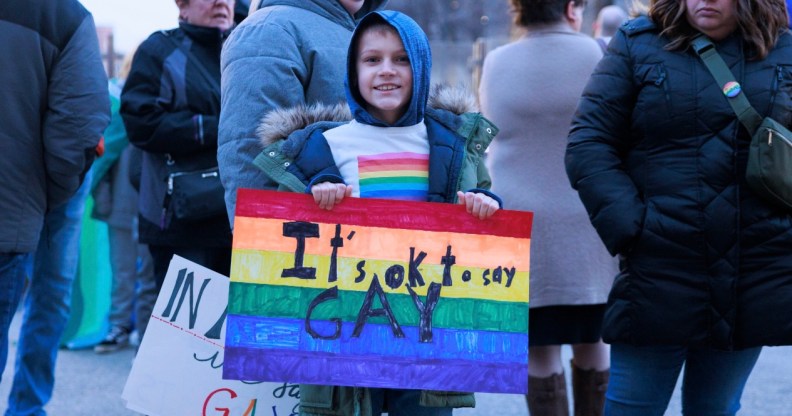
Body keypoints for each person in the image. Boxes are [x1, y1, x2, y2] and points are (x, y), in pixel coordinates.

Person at [253, 10, 500, 415]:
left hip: (426, 340)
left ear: (420, 65)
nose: (387, 71)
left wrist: (485, 206)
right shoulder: (324, 146)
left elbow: (484, 208)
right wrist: (314, 197)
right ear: (353, 70)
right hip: (344, 336)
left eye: (401, 59)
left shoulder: (453, 142)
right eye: (372, 60)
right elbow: (282, 239)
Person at [565, 0, 792, 413]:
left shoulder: (783, 49)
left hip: (754, 270)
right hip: (661, 267)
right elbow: (588, 143)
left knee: (717, 408)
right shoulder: (638, 43)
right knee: (631, 407)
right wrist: (633, 229)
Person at [478, 0, 614, 415]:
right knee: (595, 345)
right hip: (591, 226)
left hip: (522, 229)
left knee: (539, 352)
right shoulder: (601, 55)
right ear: (572, 7)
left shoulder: (496, 62)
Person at [0, 0, 109, 401]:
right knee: (51, 294)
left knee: (48, 295)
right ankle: (27, 406)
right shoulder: (65, 15)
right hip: (44, 187)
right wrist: (55, 191)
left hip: (31, 186)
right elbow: (81, 122)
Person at [218, 0, 387, 228]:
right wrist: (264, 240)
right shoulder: (268, 30)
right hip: (308, 245)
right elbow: (250, 152)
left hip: (371, 241)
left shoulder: (369, 34)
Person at [120, 0, 235, 302]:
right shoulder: (159, 49)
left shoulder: (246, 49)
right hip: (181, 223)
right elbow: (141, 123)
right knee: (183, 344)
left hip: (241, 219)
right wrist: (221, 127)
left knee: (236, 340)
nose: (222, 2)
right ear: (182, 6)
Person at [92, 51, 157, 353]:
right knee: (124, 270)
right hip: (123, 201)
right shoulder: (115, 107)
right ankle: (120, 325)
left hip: (147, 202)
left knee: (145, 273)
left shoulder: (159, 105)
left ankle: (143, 332)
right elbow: (103, 159)